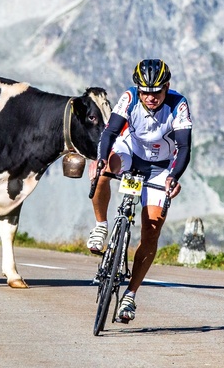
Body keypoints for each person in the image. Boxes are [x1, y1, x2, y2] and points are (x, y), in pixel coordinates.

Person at [86, 59, 192, 323]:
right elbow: (110, 131)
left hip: (160, 166)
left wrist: (173, 178)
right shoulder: (129, 97)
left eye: (156, 92)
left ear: (167, 87)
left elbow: (185, 147)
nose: (150, 97)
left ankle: (130, 295)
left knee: (152, 230)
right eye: (144, 91)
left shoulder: (178, 104)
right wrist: (100, 158)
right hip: (130, 153)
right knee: (104, 169)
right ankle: (101, 226)